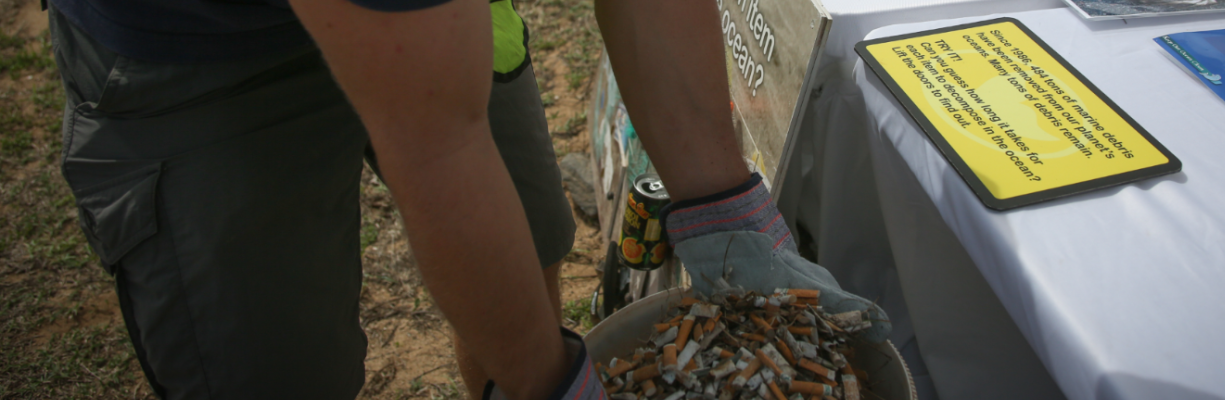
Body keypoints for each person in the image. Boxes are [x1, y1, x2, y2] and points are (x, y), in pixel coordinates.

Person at [44, 0, 890, 399]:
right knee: (271, 373)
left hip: (435, 19)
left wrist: (724, 207)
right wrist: (552, 389)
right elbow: (438, 143)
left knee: (529, 247)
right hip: (204, 58)